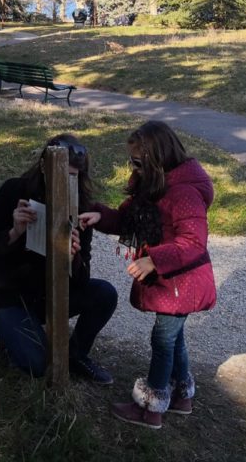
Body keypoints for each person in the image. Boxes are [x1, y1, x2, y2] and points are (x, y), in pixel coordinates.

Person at [79, 120, 216, 429]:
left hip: (183, 283)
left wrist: (153, 260)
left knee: (163, 340)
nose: (134, 168)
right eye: (133, 161)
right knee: (174, 337)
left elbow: (194, 242)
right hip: (173, 281)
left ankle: (151, 407)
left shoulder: (183, 193)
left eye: (138, 162)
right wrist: (102, 215)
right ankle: (182, 396)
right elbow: (128, 218)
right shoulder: (153, 186)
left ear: (157, 158)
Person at [0, 134, 118, 384]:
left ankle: (76, 355)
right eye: (62, 176)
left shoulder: (80, 205)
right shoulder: (14, 190)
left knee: (104, 294)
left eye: (73, 177)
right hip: (7, 298)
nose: (66, 183)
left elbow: (83, 280)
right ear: (43, 167)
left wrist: (73, 257)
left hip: (50, 297)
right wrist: (14, 232)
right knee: (40, 365)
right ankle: (13, 342)